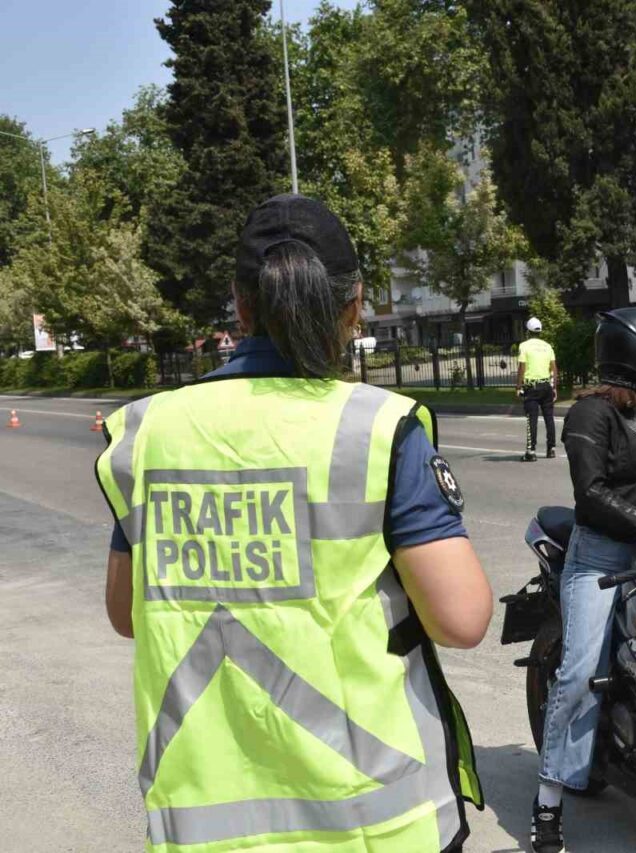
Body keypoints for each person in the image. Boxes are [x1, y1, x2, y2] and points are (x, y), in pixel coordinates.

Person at [97, 194, 492, 852]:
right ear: (354, 304)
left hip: (206, 830)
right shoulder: (374, 428)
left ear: (239, 304)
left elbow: (125, 613)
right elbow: (463, 619)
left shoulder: (150, 432)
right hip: (376, 825)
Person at [531, 307, 636, 853]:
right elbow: (591, 494)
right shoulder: (590, 414)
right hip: (600, 558)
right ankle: (548, 803)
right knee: (582, 674)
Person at [516, 317, 558, 461]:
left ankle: (531, 452)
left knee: (531, 419)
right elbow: (554, 369)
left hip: (531, 388)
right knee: (549, 418)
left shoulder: (524, 346)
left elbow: (522, 368)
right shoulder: (547, 346)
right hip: (546, 386)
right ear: (540, 332)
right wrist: (554, 387)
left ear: (528, 332)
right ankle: (551, 449)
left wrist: (518, 387)